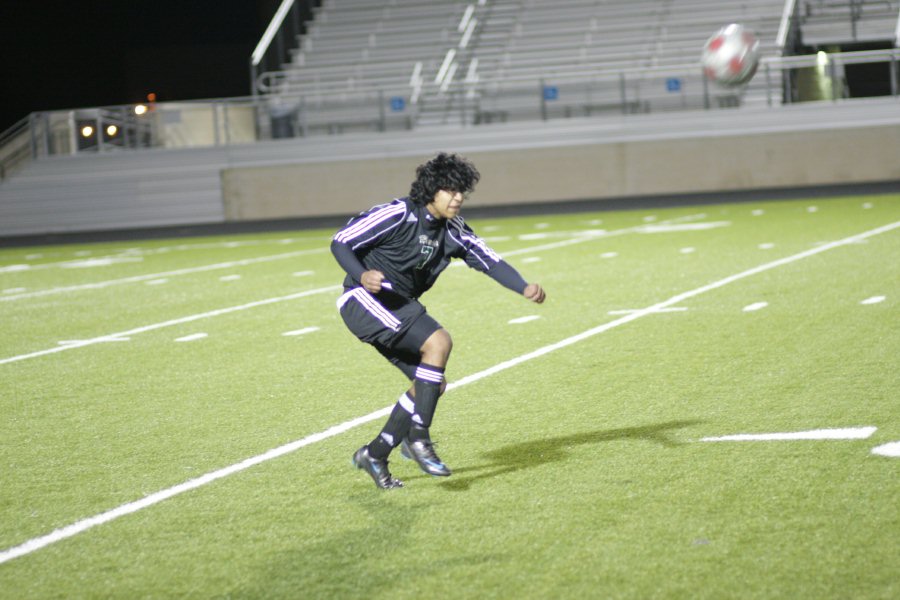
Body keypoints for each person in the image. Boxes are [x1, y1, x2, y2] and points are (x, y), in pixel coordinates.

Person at [331, 152, 546, 489]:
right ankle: (418, 438)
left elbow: (490, 261)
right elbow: (341, 241)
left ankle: (375, 454)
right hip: (364, 301)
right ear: (432, 189)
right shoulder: (399, 213)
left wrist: (523, 286)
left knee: (430, 385)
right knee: (439, 342)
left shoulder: (454, 230)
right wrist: (361, 275)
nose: (458, 198)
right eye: (451, 190)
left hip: (399, 307)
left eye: (462, 191)